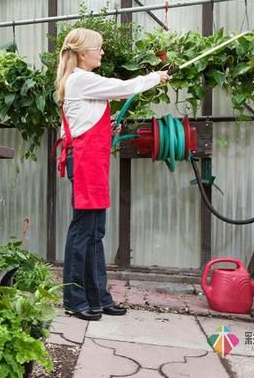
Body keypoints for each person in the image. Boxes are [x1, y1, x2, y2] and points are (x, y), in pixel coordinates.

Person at [55, 28, 170, 321]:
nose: (102, 52)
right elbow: (123, 87)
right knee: (83, 231)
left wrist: (110, 129)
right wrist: (154, 77)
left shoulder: (81, 82)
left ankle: (97, 298)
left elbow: (85, 121)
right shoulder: (81, 79)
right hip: (84, 162)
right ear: (83, 54)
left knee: (95, 232)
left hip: (90, 161)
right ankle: (74, 298)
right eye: (98, 48)